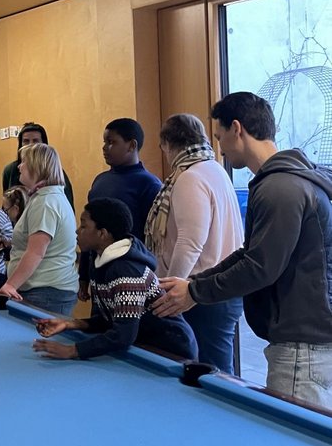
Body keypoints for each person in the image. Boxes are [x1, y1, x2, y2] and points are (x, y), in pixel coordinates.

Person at [155, 92, 332, 409]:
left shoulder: (281, 188)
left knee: (285, 437)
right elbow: (250, 253)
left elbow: (260, 267)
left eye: (220, 135)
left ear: (236, 129)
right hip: (303, 342)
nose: (219, 146)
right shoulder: (284, 180)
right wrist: (194, 285)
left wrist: (194, 291)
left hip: (302, 348)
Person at [33, 198, 197, 360]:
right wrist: (70, 324)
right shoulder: (99, 260)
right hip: (146, 344)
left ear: (102, 233)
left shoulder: (127, 272)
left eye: (83, 226)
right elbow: (111, 319)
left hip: (171, 349)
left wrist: (72, 350)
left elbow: (123, 334)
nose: (77, 231)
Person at [144, 113, 244, 372]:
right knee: (218, 368)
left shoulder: (190, 177)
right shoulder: (215, 169)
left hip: (199, 292)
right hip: (220, 288)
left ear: (167, 144)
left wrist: (169, 292)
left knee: (211, 373)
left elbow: (190, 243)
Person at [79, 118, 163, 300]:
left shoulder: (149, 184)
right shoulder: (100, 180)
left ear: (131, 145)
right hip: (98, 270)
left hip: (130, 273)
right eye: (104, 142)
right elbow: (89, 228)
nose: (104, 148)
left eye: (111, 142)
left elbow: (153, 237)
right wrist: (83, 276)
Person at [0, 143, 78, 315]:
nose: (19, 166)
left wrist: (10, 285)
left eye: (24, 162)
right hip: (46, 291)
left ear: (37, 166)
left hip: (46, 292)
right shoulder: (48, 197)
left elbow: (36, 252)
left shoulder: (46, 202)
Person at [1, 123, 75, 208]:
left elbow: (67, 204)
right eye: (26, 141)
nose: (30, 145)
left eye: (35, 141)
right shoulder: (10, 170)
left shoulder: (53, 171)